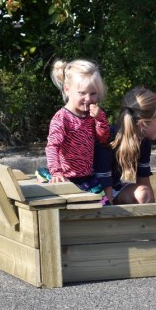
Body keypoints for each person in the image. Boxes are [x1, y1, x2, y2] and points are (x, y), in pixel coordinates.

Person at [44, 59, 113, 204]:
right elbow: (52, 146)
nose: (88, 99)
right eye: (82, 93)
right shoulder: (62, 118)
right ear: (67, 89)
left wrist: (100, 119)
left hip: (87, 176)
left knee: (104, 206)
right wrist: (56, 172)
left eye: (93, 94)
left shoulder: (91, 116)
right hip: (66, 178)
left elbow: (103, 138)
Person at [96, 86, 156, 204]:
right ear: (144, 124)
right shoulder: (108, 139)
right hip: (94, 190)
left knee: (144, 193)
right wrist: (109, 217)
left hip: (113, 188)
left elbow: (144, 181)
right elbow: (104, 182)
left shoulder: (144, 142)